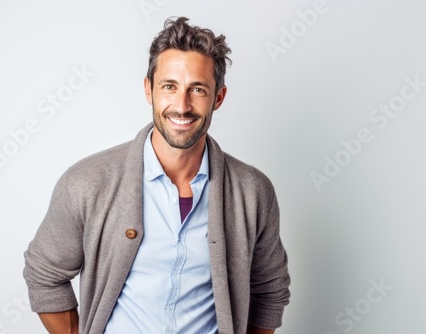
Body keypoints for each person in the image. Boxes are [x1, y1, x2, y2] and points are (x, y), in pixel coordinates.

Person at [23, 16, 290, 334]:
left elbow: (269, 293)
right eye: (169, 87)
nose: (182, 105)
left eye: (198, 90)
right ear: (149, 89)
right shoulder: (86, 182)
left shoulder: (252, 191)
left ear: (218, 98)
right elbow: (44, 274)